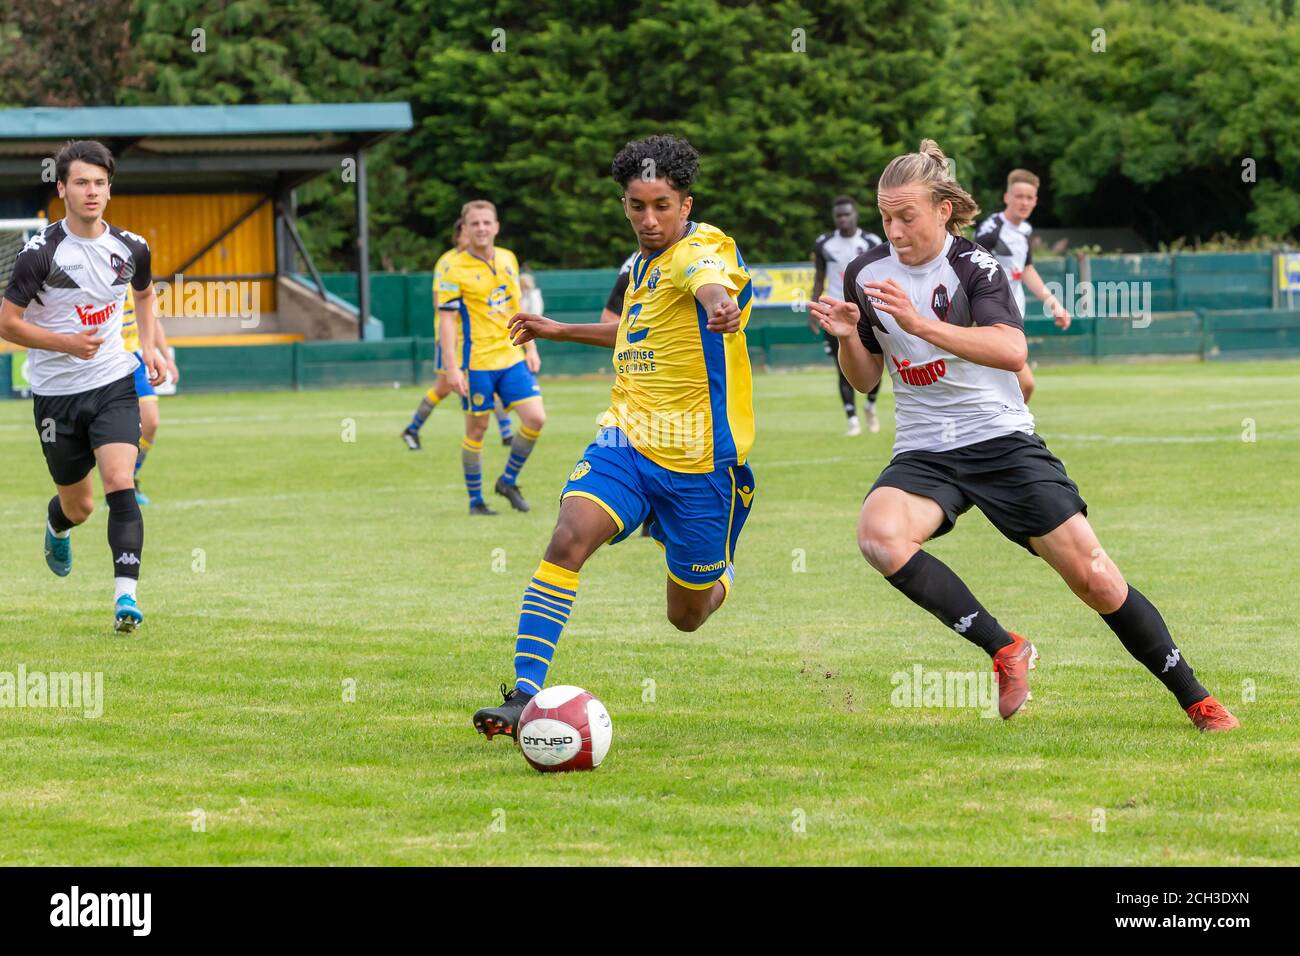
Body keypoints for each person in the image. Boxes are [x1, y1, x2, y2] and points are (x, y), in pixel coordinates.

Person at [810, 139, 1238, 732]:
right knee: (880, 538)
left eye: (906, 215)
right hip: (926, 448)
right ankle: (1005, 648)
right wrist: (848, 337)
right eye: (886, 216)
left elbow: (1013, 350)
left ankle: (1196, 698)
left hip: (1000, 441)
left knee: (1094, 577)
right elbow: (865, 379)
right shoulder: (865, 273)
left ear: (941, 209)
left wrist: (920, 324)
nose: (894, 228)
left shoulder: (974, 264)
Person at [472, 134, 752, 739]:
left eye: (662, 206)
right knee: (569, 538)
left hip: (700, 460)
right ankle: (524, 693)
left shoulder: (704, 248)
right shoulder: (641, 266)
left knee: (688, 616)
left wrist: (720, 307)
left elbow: (709, 285)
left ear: (686, 204)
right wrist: (557, 329)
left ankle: (717, 567)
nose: (648, 220)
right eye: (635, 205)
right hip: (626, 440)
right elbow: (634, 331)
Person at [0, 140, 164, 633]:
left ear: (109, 189)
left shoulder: (132, 247)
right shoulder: (40, 253)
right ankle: (56, 526)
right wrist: (64, 343)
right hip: (54, 394)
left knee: (120, 482)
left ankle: (125, 599)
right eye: (81, 183)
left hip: (112, 381)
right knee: (80, 506)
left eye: (99, 183)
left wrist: (151, 347)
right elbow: (7, 323)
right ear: (62, 189)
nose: (91, 192)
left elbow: (146, 293)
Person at [437, 200, 543, 514]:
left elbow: (516, 307)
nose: (481, 228)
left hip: (510, 357)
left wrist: (531, 346)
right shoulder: (454, 269)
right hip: (476, 364)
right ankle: (475, 502)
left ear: (496, 227)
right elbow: (445, 322)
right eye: (475, 224)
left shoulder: (509, 258)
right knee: (477, 430)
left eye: (487, 222)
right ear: (465, 230)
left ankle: (507, 480)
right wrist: (452, 368)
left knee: (536, 419)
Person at [402, 218, 513, 450]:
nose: (476, 234)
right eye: (469, 230)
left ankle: (506, 432)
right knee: (444, 387)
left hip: (481, 341)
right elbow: (439, 303)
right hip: (455, 340)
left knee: (490, 380)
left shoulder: (491, 260)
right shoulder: (448, 263)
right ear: (460, 234)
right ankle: (413, 429)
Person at [973, 169, 1070, 402]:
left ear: (1035, 201)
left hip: (1013, 318)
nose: (1023, 202)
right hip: (990, 321)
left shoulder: (1024, 231)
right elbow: (968, 271)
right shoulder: (991, 230)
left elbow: (1026, 269)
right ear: (1007, 197)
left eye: (1029, 197)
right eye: (1019, 196)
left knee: (1012, 389)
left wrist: (1054, 303)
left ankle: (1000, 432)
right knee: (1023, 384)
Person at [811, 196, 883, 435]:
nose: (843, 219)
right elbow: (819, 278)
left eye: (846, 214)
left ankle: (870, 405)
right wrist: (813, 310)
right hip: (834, 314)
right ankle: (852, 419)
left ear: (855, 215)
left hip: (865, 312)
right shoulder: (824, 243)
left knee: (875, 363)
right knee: (842, 367)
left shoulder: (871, 241)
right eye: (838, 215)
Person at [121, 286, 179, 505]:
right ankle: (118, 483)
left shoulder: (136, 270)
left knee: (151, 422)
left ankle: (127, 480)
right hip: (105, 356)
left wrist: (167, 357)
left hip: (133, 358)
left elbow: (152, 318)